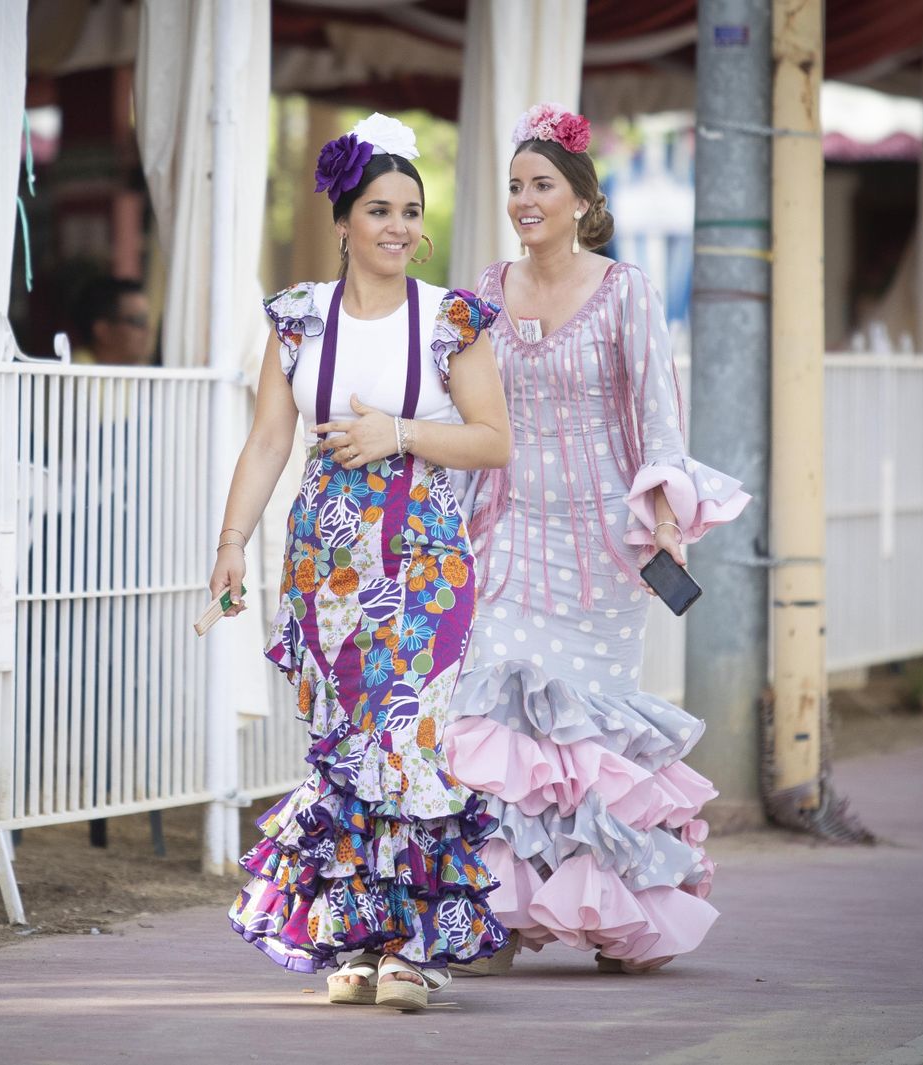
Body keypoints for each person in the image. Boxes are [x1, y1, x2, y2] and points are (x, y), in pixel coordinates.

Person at [211, 113, 513, 1011]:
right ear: (341, 218)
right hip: (326, 569)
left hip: (425, 564)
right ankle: (357, 938)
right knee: (346, 752)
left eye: (411, 211)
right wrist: (231, 543)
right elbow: (269, 442)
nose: (398, 226)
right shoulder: (299, 319)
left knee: (410, 746)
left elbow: (495, 440)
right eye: (378, 208)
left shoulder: (454, 319)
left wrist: (401, 432)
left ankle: (413, 951)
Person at [443, 103, 751, 976]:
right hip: (502, 533)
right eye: (513, 187)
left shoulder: (626, 292)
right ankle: (495, 917)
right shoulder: (482, 293)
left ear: (581, 199)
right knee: (493, 715)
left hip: (601, 553)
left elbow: (659, 416)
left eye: (541, 185)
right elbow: (458, 406)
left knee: (591, 741)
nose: (523, 200)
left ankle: (616, 913)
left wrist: (665, 521)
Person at [70, 277, 152, 365]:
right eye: (138, 321)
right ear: (102, 330)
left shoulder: (130, 372)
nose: (148, 330)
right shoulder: (77, 371)